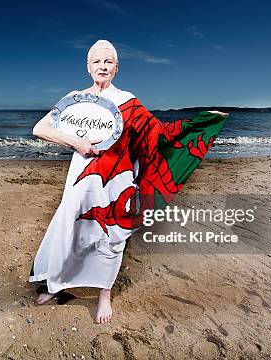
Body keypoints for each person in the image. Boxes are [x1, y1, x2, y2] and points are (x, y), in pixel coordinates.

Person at [29, 40, 228, 324]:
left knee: (112, 236)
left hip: (116, 180)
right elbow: (41, 128)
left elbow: (160, 134)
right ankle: (57, 283)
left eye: (108, 61)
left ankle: (104, 295)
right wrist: (76, 141)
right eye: (96, 61)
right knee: (69, 228)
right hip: (80, 179)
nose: (102, 66)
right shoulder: (75, 99)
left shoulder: (128, 101)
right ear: (88, 67)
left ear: (116, 68)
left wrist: (203, 122)